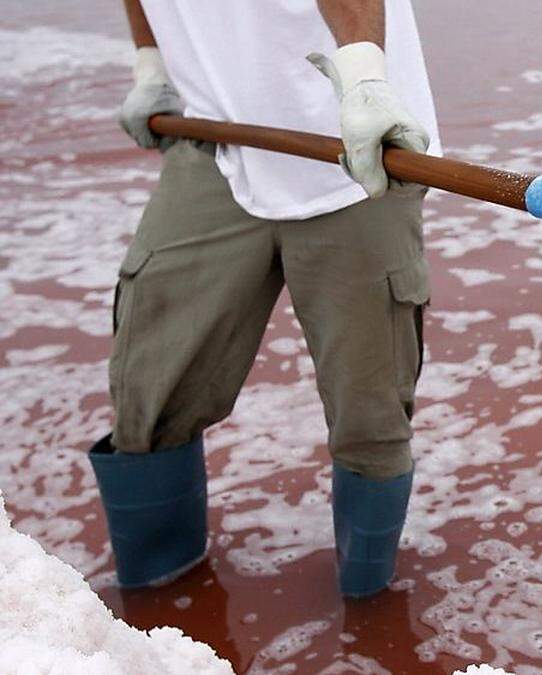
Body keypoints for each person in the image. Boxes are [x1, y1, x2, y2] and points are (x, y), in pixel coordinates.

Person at [87, 0, 439, 598]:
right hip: (216, 142)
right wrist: (151, 65)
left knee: (368, 417)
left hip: (361, 152)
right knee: (148, 389)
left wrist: (362, 78)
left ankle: (371, 627)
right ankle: (148, 610)